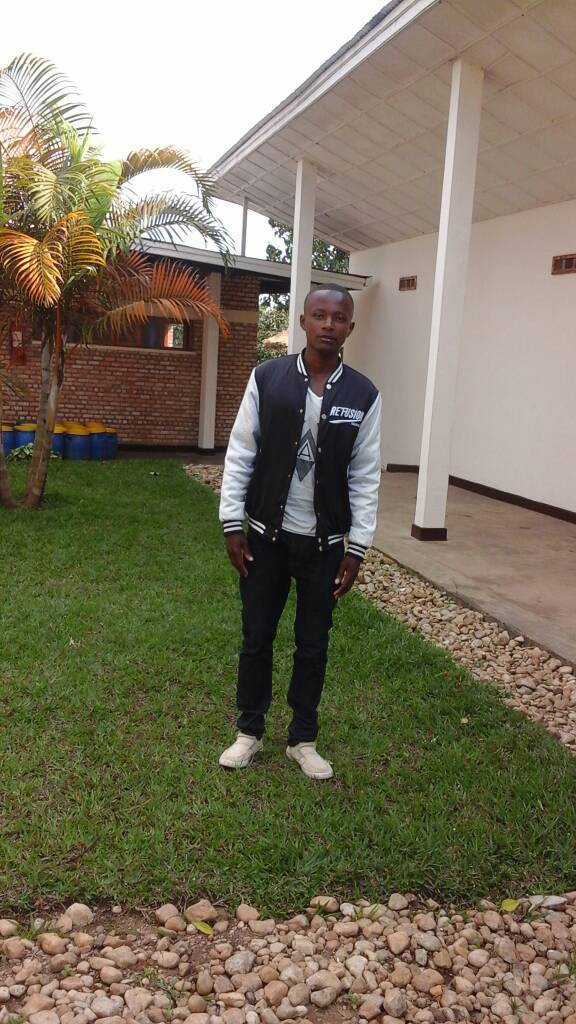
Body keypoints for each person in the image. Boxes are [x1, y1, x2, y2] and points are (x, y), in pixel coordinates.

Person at [218, 285, 381, 779]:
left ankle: (302, 739)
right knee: (257, 636)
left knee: (313, 644)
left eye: (339, 317)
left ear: (350, 327)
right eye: (319, 315)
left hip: (324, 547)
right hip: (265, 539)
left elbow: (365, 474)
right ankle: (249, 731)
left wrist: (357, 547)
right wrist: (232, 523)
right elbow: (242, 451)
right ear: (303, 321)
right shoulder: (267, 379)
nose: (329, 324)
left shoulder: (363, 395)